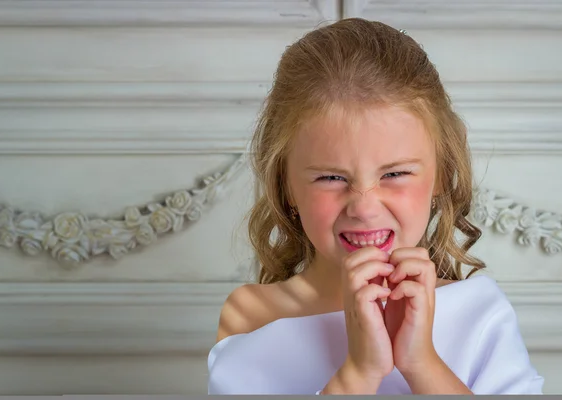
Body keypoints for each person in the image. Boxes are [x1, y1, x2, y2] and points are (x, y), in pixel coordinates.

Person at [207, 18, 544, 395]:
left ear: (442, 174)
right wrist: (359, 372)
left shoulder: (480, 314)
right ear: (286, 186)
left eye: (395, 173)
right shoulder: (252, 316)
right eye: (331, 178)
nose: (365, 209)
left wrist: (421, 364)